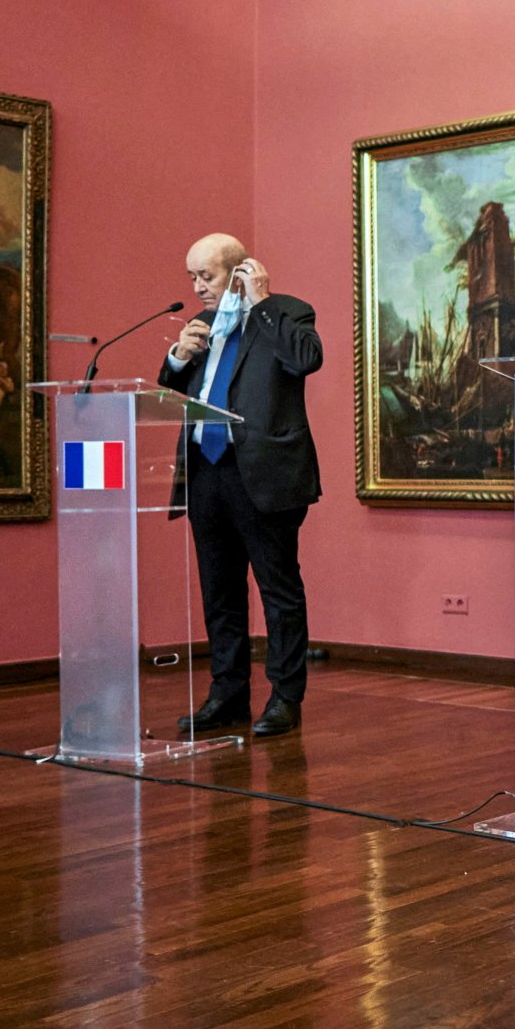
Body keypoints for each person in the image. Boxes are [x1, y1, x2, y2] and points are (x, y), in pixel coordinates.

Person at [160, 233, 323, 738]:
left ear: (238, 272)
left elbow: (305, 360)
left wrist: (263, 302)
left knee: (279, 591)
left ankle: (284, 698)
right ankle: (227, 694)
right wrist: (178, 357)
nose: (196, 287)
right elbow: (172, 387)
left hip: (263, 474)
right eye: (191, 277)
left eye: (204, 276)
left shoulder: (290, 312)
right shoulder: (203, 324)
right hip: (206, 472)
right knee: (220, 591)